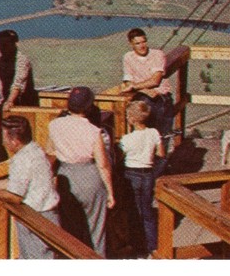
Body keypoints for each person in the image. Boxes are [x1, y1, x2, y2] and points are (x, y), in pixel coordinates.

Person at [0, 115, 60, 259]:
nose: (3, 142)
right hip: (47, 214)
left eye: (4, 138)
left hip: (35, 217)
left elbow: (15, 196)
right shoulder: (35, 149)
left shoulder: (21, 160)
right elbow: (18, 183)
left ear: (15, 141)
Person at [46, 86, 115, 257]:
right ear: (89, 107)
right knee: (96, 229)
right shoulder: (94, 131)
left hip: (65, 175)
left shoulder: (54, 125)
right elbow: (103, 164)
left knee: (70, 229)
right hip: (89, 175)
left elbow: (50, 152)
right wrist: (110, 192)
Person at [119, 28, 174, 170]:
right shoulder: (128, 57)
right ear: (131, 44)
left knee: (161, 137)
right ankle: (145, 170)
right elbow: (128, 81)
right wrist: (144, 89)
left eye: (144, 42)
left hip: (161, 98)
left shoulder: (157, 54)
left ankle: (159, 171)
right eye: (137, 43)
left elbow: (155, 81)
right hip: (144, 99)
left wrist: (135, 86)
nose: (142, 46)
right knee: (143, 137)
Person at [119, 100, 165, 257]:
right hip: (148, 174)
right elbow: (161, 154)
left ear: (131, 119)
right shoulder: (154, 133)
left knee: (134, 212)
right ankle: (152, 246)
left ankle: (138, 247)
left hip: (131, 174)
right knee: (147, 210)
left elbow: (119, 157)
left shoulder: (127, 139)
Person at [0, 30, 37, 110]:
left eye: (5, 45)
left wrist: (9, 101)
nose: (2, 48)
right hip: (8, 99)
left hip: (25, 102)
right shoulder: (1, 61)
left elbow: (18, 84)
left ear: (14, 44)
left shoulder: (22, 60)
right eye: (0, 44)